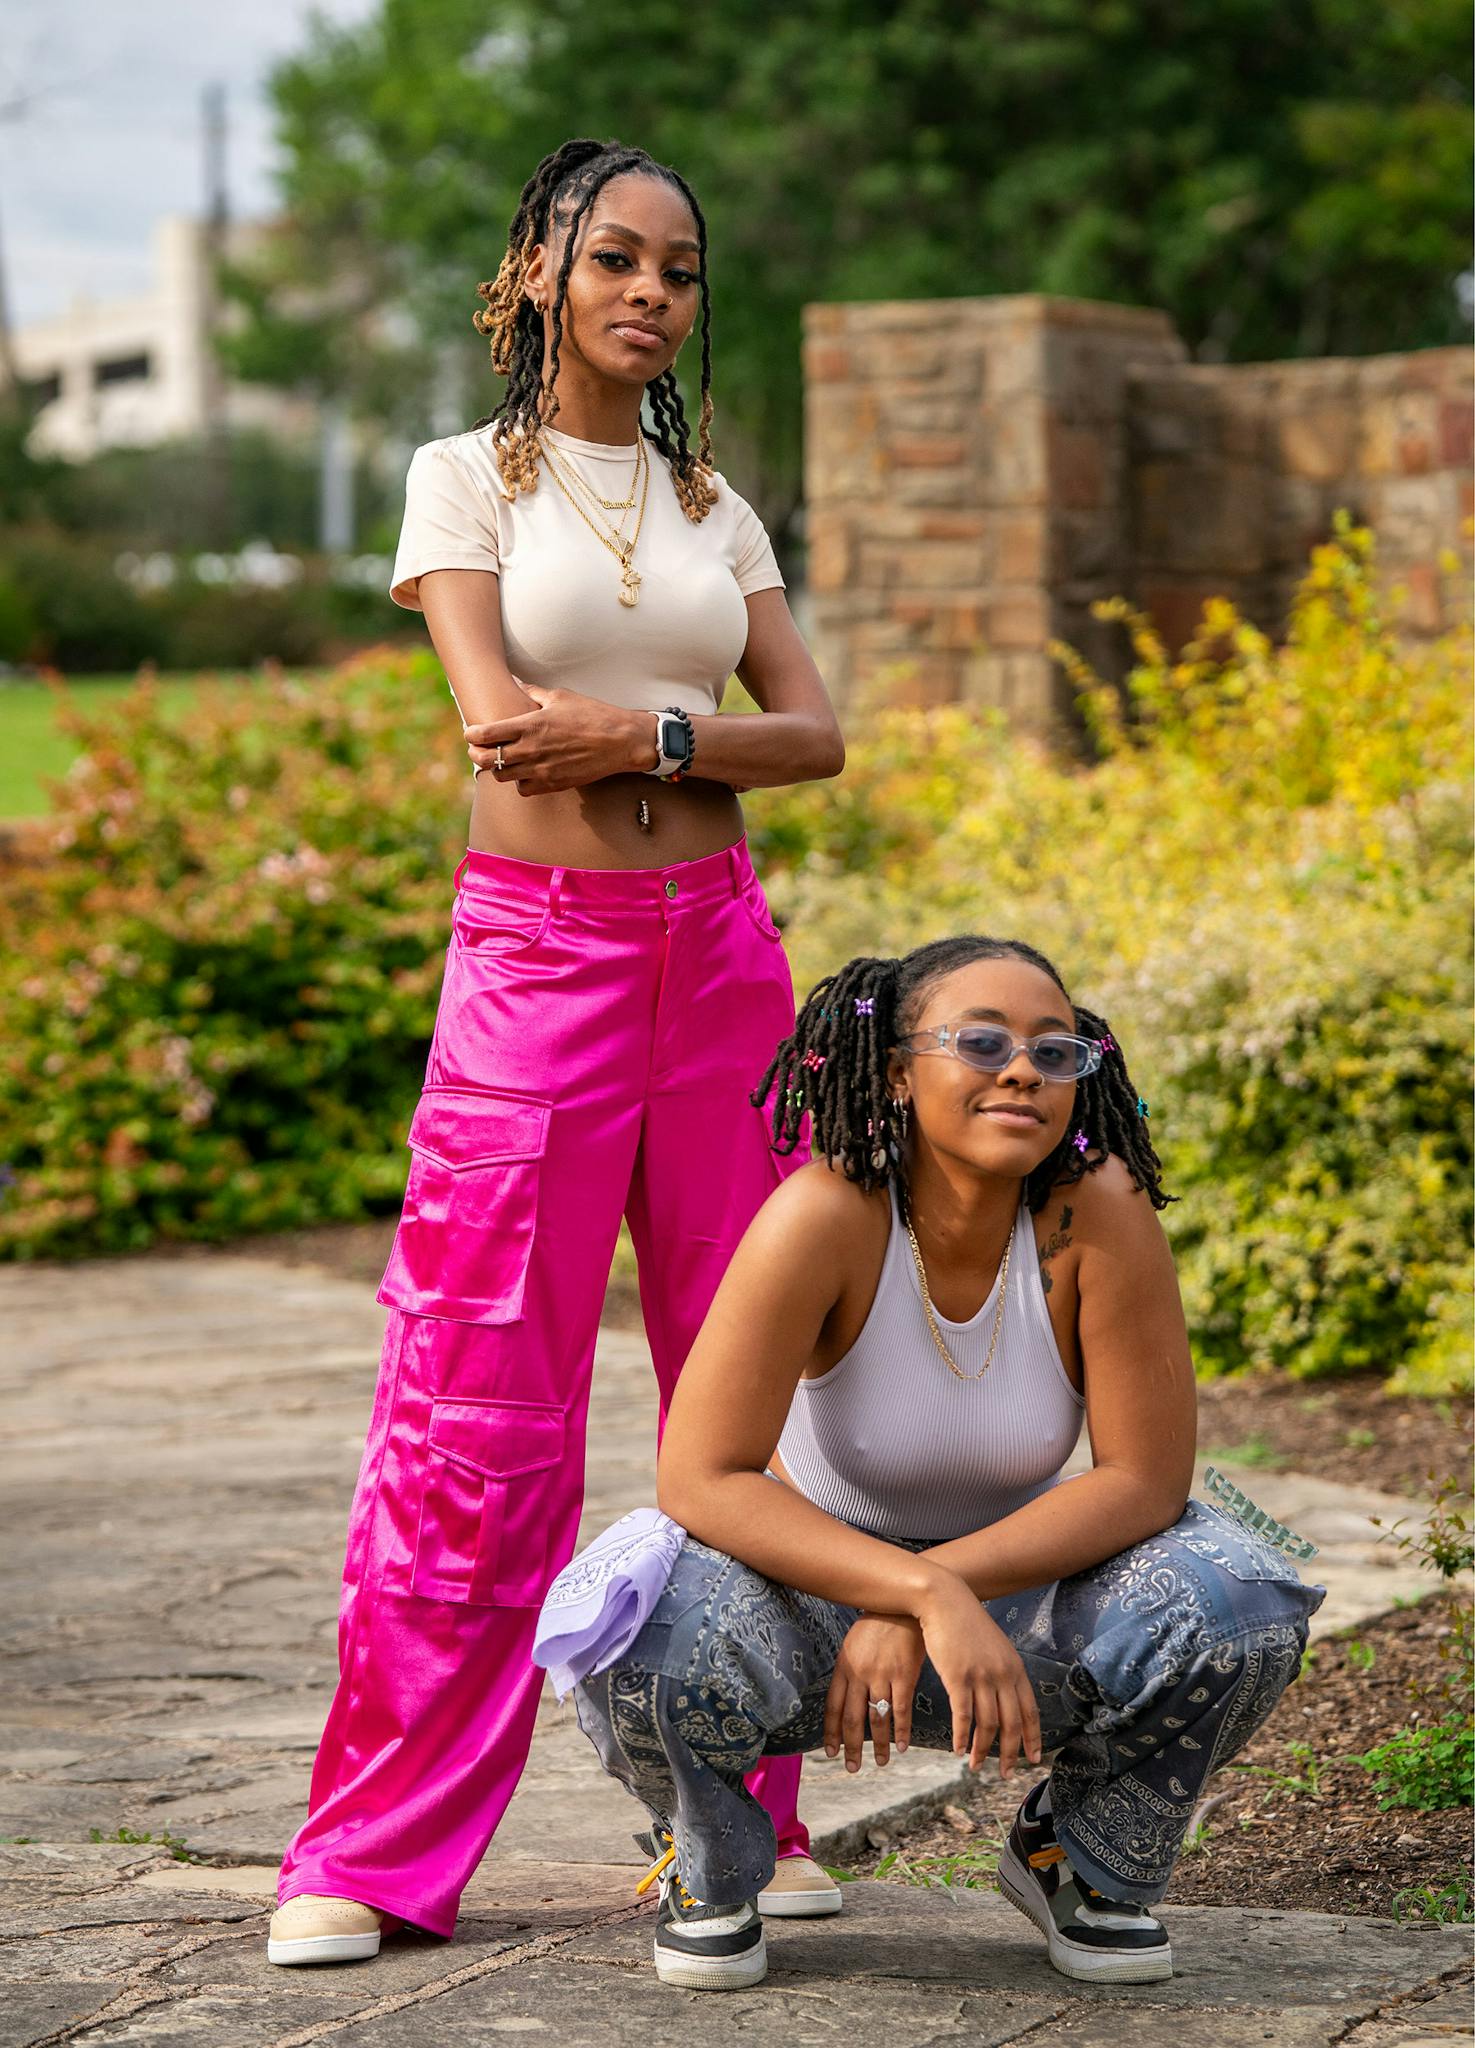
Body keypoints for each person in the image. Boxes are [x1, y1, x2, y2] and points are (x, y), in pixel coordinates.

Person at [268, 135, 846, 1966]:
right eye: (613, 257)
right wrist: (677, 728)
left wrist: (647, 734)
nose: (648, 291)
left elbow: (816, 733)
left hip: (728, 971)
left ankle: (748, 1812)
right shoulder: (461, 482)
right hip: (539, 970)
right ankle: (369, 1849)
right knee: (472, 1407)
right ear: (536, 272)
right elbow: (502, 728)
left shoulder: (712, 501)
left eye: (676, 267)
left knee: (737, 1395)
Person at [571, 937, 1325, 1992]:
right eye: (980, 1042)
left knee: (1239, 1594)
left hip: (1022, 1612)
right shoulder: (824, 1215)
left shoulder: (1095, 1213)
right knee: (633, 1612)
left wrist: (945, 1587)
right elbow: (699, 1478)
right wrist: (911, 1587)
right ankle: (710, 1866)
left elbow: (1142, 1483)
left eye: (1053, 1051)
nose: (1021, 1068)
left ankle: (1078, 1856)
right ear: (894, 1069)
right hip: (808, 1609)